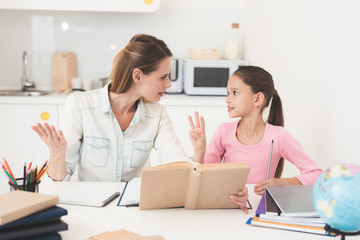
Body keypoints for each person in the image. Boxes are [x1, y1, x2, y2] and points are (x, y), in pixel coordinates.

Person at [32, 34, 190, 182]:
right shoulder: (80, 106)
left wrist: (197, 161)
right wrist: (57, 155)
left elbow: (176, 160)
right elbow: (60, 180)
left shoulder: (157, 114)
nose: (168, 84)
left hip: (134, 207)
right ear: (137, 76)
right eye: (163, 77)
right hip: (92, 207)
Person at [188, 66, 323, 213]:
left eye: (235, 93)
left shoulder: (278, 136)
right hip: (227, 210)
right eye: (228, 93)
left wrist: (283, 183)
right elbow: (206, 177)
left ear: (257, 98)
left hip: (262, 213)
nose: (227, 99)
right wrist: (199, 152)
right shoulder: (224, 131)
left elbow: (317, 174)